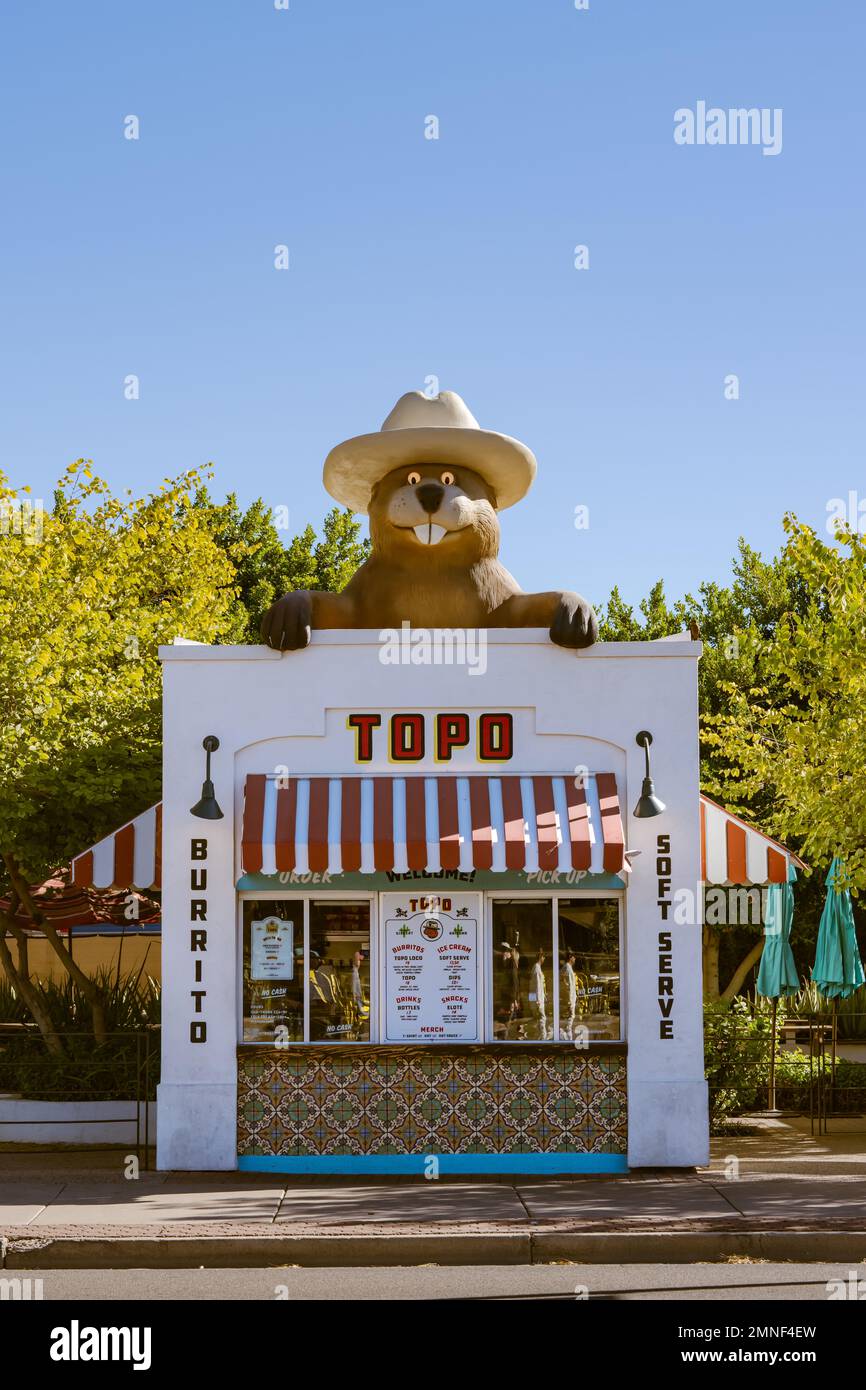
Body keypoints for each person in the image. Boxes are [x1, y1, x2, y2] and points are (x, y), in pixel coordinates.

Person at [529, 947, 548, 1040]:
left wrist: (543, 995)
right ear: (540, 957)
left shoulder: (536, 967)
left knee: (537, 1018)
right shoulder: (536, 968)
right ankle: (543, 1038)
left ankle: (538, 1036)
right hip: (537, 998)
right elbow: (536, 985)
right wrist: (537, 1000)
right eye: (543, 957)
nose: (544, 959)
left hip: (537, 997)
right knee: (542, 1018)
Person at [560, 949, 578, 1041]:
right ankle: (567, 1034)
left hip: (570, 996)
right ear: (570, 958)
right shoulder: (567, 968)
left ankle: (566, 1033)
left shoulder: (567, 967)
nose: (575, 959)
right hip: (569, 996)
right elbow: (566, 984)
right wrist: (570, 999)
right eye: (574, 957)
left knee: (570, 1015)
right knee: (571, 1015)